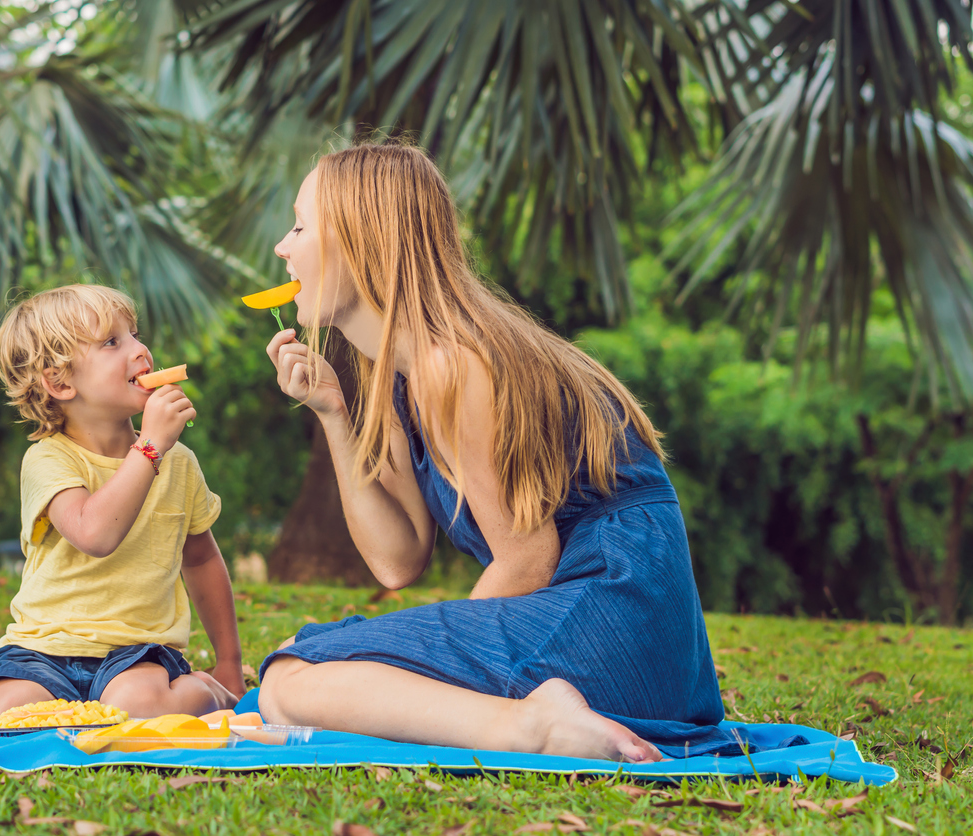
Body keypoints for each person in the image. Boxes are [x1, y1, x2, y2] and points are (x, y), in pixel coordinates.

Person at [258, 142, 738, 762]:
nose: (282, 247)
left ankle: (533, 729)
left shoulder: (452, 365)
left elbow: (529, 561)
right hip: (589, 618)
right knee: (295, 673)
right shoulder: (403, 376)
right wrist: (333, 414)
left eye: (300, 225)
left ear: (362, 239)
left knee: (294, 681)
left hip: (615, 613)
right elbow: (398, 560)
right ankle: (530, 720)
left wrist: (433, 660)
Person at [0, 285, 241, 723]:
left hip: (137, 652)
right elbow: (95, 533)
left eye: (134, 334)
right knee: (11, 711)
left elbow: (201, 560)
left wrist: (230, 664)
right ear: (60, 382)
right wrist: (149, 446)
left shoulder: (178, 462)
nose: (141, 350)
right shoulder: (49, 458)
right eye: (111, 342)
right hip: (43, 648)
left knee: (137, 708)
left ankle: (208, 689)